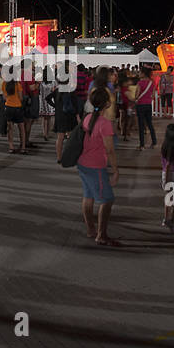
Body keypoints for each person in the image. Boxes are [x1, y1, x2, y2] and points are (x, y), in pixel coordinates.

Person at [75, 85, 119, 247]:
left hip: (83, 163)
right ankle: (101, 234)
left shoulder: (87, 118)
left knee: (88, 197)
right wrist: (115, 170)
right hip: (96, 165)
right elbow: (109, 149)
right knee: (107, 200)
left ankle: (91, 229)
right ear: (107, 104)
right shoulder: (105, 123)